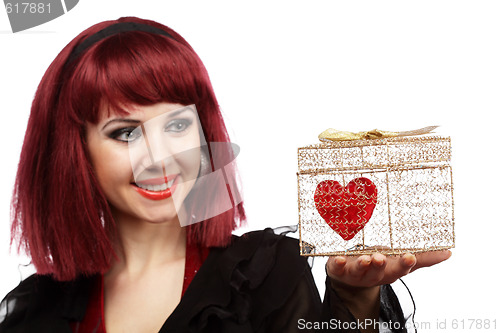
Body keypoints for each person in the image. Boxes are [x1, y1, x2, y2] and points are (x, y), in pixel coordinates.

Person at [0, 17, 450, 333]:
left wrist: (355, 300)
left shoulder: (267, 273)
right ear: (74, 152)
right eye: (124, 133)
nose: (161, 157)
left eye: (177, 125)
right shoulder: (33, 310)